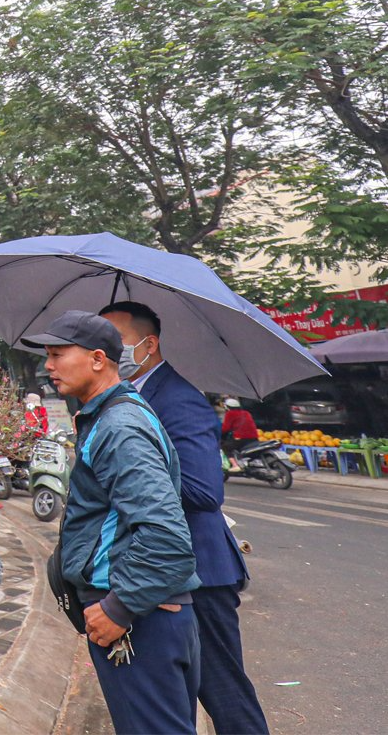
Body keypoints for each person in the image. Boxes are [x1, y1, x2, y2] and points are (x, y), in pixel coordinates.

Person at [27, 310, 202, 735]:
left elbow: (166, 537)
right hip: (143, 612)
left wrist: (118, 609)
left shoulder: (119, 427)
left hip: (140, 619)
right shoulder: (108, 418)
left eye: (57, 354)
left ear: (98, 359)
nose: (47, 366)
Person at [100, 301, 269, 735]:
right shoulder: (128, 398)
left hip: (202, 571)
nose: (106, 352)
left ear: (149, 344)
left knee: (223, 691)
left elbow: (204, 491)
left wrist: (131, 471)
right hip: (163, 572)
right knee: (174, 695)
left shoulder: (178, 398)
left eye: (115, 341)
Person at [221, 398, 260, 468]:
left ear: (227, 407)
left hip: (241, 439)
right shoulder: (246, 413)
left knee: (225, 447)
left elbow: (225, 428)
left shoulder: (230, 413)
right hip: (254, 438)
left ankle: (235, 465)